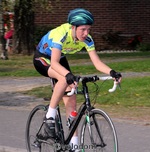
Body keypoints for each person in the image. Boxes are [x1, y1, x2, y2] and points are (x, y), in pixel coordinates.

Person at [33, 8, 122, 151]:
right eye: (83, 29)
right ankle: (49, 116)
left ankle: (74, 146)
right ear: (73, 27)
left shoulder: (87, 39)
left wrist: (112, 72)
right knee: (64, 78)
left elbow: (97, 63)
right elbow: (54, 63)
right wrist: (67, 75)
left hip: (59, 59)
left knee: (72, 102)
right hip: (43, 59)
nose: (86, 33)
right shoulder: (60, 34)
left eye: (89, 29)